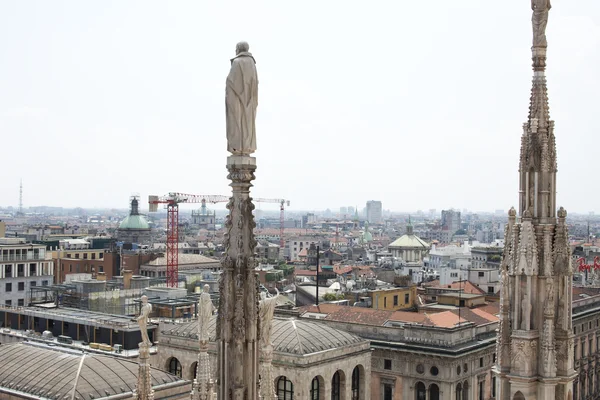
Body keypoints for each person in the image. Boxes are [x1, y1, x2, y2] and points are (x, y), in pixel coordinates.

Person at [226, 41, 258, 155]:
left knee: (237, 122)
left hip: (236, 100)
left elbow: (231, 82)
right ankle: (247, 146)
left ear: (238, 49)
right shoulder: (252, 64)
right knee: (247, 124)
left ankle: (238, 147)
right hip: (250, 102)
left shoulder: (237, 62)